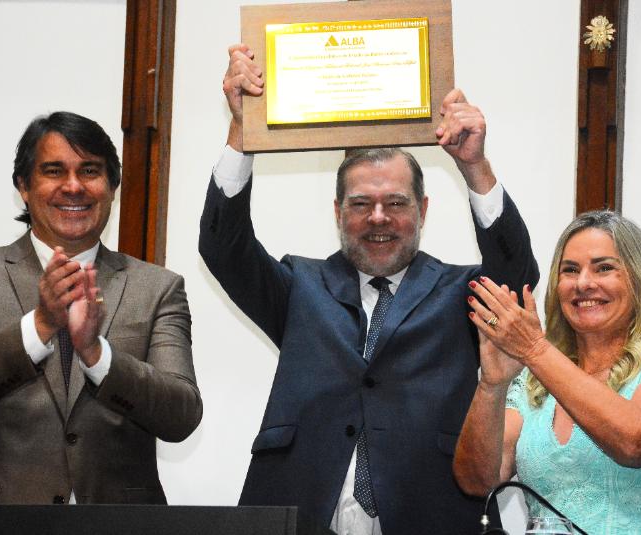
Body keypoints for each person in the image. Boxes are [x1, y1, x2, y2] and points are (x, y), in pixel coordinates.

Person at [198, 44, 539, 535]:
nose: (379, 218)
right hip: (302, 514)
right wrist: (242, 131)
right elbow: (222, 248)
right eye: (361, 204)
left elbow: (517, 276)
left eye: (396, 203)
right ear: (338, 212)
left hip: (430, 516)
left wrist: (474, 166)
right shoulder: (300, 286)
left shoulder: (460, 292)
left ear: (423, 210)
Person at [0, 112, 202, 535]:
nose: (73, 186)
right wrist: (39, 326)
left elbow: (181, 415)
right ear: (23, 186)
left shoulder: (159, 288)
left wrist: (97, 355)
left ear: (112, 186)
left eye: (90, 171)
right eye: (53, 171)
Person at [455, 210, 641, 533]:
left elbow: (636, 442)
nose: (583, 283)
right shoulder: (533, 383)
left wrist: (535, 349)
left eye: (604, 268)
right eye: (570, 270)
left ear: (638, 279)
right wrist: (492, 385)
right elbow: (478, 481)